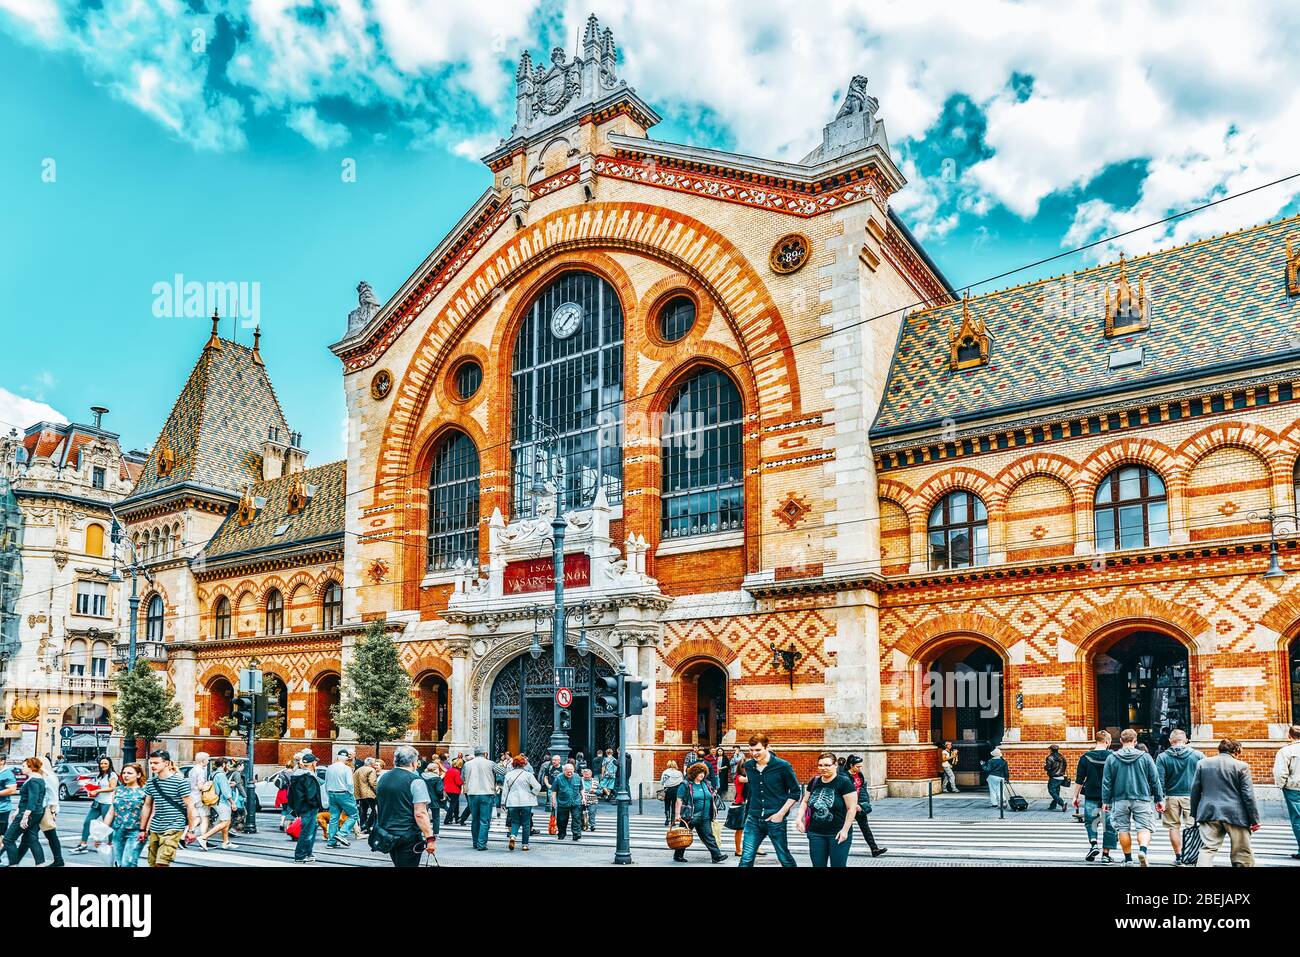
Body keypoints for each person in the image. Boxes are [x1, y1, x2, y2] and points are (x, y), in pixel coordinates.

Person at [1101, 728, 1165, 867]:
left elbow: (1107, 782)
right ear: (1135, 741)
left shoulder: (1112, 758)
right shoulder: (1145, 757)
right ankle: (1142, 851)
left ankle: (1128, 859)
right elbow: (1155, 780)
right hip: (1141, 797)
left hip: (1120, 798)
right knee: (1144, 827)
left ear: (1121, 741)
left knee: (1123, 829)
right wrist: (1159, 799)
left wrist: (1105, 801)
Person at [1192, 738, 1259, 867]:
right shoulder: (1241, 766)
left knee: (1207, 848)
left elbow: (1195, 790)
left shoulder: (1202, 763)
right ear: (1236, 750)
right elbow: (1248, 795)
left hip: (1208, 811)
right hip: (1235, 814)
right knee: (1241, 852)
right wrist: (1254, 819)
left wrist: (1194, 813)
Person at [738, 732, 800, 867]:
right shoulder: (749, 766)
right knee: (746, 859)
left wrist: (781, 814)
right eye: (751, 750)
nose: (754, 753)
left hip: (775, 818)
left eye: (758, 749)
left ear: (767, 747)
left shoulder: (783, 766)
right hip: (753, 818)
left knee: (784, 857)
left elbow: (795, 792)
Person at [373, 745, 438, 867]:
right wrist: (430, 838)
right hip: (408, 835)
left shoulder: (382, 777)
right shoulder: (415, 781)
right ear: (414, 762)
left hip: (387, 834)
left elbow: (379, 806)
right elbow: (420, 813)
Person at [794, 751, 858, 867]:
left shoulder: (844, 782)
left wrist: (845, 830)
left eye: (827, 765)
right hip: (815, 833)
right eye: (820, 765)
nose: (823, 768)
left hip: (837, 833)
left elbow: (851, 809)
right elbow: (805, 801)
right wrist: (799, 818)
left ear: (835, 765)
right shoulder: (814, 781)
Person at [139, 750, 198, 868]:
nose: (152, 766)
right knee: (153, 863)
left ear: (166, 763)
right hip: (156, 826)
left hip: (174, 825)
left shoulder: (180, 782)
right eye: (151, 763)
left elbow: (190, 806)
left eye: (156, 763)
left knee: (162, 862)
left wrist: (191, 831)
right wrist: (143, 829)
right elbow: (147, 805)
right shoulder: (151, 782)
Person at [1071, 730, 1119, 864]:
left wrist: (1075, 796)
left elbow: (1080, 779)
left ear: (1096, 740)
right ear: (1108, 742)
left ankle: (1094, 844)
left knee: (1091, 821)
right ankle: (1105, 855)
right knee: (1108, 825)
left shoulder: (1085, 757)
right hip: (1109, 797)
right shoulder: (1114, 757)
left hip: (1091, 794)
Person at [1155, 729, 1202, 862]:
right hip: (1192, 797)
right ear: (1186, 740)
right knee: (1192, 827)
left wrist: (1159, 798)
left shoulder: (1163, 757)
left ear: (1170, 741)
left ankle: (1178, 856)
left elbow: (1160, 780)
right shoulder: (1198, 755)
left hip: (1171, 796)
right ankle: (1191, 855)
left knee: (1173, 826)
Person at [672, 761, 726, 864]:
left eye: (703, 773)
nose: (702, 775)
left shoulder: (706, 783)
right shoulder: (686, 784)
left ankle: (716, 856)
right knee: (684, 836)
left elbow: (710, 797)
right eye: (699, 772)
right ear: (694, 773)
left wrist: (714, 807)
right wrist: (677, 814)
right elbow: (679, 799)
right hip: (690, 816)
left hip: (705, 816)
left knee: (709, 836)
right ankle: (678, 855)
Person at [1, 758, 47, 866]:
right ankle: (40, 864)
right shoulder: (39, 779)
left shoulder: (33, 780)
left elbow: (33, 799)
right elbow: (28, 799)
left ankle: (13, 864)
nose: (22, 768)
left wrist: (25, 816)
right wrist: (17, 810)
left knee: (8, 839)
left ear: (31, 768)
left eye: (24, 766)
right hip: (36, 812)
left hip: (28, 813)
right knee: (32, 838)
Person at [843, 754, 887, 858]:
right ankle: (839, 850)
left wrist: (863, 803)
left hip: (858, 807)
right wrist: (853, 805)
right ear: (851, 765)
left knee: (865, 828)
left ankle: (874, 849)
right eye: (858, 766)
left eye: (860, 766)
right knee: (845, 829)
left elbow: (862, 790)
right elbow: (842, 794)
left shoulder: (859, 775)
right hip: (847, 808)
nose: (860, 768)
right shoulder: (844, 777)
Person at [103, 762, 146, 868]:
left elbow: (149, 813)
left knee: (128, 863)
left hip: (135, 832)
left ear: (138, 775)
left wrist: (144, 830)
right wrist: (101, 831)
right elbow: (111, 812)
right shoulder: (118, 790)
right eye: (124, 773)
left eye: (130, 773)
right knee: (118, 863)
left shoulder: (144, 791)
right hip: (118, 831)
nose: (125, 775)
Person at [73, 756, 118, 854]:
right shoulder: (100, 775)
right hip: (97, 802)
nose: (103, 765)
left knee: (109, 825)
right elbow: (96, 787)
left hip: (108, 803)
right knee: (87, 822)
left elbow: (112, 788)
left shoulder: (112, 775)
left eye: (105, 763)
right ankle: (83, 843)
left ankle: (111, 844)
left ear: (110, 764)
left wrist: (98, 790)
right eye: (101, 763)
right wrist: (91, 791)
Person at [288, 752, 324, 863]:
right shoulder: (308, 777)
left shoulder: (296, 775)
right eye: (315, 761)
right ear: (312, 763)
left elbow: (291, 795)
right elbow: (311, 794)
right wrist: (317, 805)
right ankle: (300, 855)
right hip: (309, 807)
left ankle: (308, 853)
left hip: (301, 807)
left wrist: (294, 807)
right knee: (307, 832)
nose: (316, 763)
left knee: (310, 830)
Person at [196, 758, 239, 850]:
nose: (229, 767)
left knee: (226, 821)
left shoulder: (213, 773)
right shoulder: (221, 775)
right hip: (221, 801)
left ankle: (226, 842)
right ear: (223, 765)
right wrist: (232, 803)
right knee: (225, 822)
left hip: (214, 800)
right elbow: (225, 792)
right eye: (227, 765)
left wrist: (228, 783)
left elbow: (216, 786)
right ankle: (203, 838)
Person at [1272, 724, 1300, 860]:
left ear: (1289, 736)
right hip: (1293, 788)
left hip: (1294, 789)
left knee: (1298, 819)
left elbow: (1280, 772)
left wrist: (1282, 785)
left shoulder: (1285, 751)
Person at [462, 746, 497, 851]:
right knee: (484, 820)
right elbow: (503, 771)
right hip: (486, 793)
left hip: (472, 793)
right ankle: (481, 844)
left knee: (475, 819)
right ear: (485, 753)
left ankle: (475, 842)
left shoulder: (467, 764)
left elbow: (462, 777)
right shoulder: (490, 763)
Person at [502, 754, 541, 851]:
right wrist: (532, 793)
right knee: (526, 823)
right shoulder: (528, 775)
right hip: (526, 802)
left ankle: (513, 836)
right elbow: (537, 786)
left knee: (515, 821)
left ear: (514, 764)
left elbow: (505, 791)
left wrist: (503, 802)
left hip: (512, 802)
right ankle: (525, 844)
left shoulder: (508, 775)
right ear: (523, 764)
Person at [325, 750, 359, 849]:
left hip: (332, 794)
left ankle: (331, 842)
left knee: (334, 818)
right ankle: (341, 834)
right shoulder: (347, 768)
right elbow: (349, 783)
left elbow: (326, 783)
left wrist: (328, 794)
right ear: (346, 758)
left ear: (337, 757)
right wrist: (351, 794)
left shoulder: (329, 768)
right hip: (344, 794)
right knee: (353, 815)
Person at [36, 757, 65, 866]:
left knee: (50, 835)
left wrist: (53, 812)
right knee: (34, 836)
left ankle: (58, 860)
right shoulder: (45, 775)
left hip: (47, 809)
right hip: (44, 808)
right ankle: (58, 860)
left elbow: (53, 796)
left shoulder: (49, 777)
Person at [552, 763, 583, 841]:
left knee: (576, 818)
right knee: (562, 819)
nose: (569, 773)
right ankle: (561, 833)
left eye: (571, 772)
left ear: (573, 770)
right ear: (563, 771)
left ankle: (576, 834)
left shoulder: (577, 777)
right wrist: (553, 800)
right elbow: (554, 790)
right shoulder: (558, 778)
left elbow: (581, 788)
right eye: (567, 772)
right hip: (563, 802)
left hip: (575, 801)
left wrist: (584, 798)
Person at [187, 751, 211, 840]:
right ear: (203, 760)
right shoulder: (201, 771)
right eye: (207, 760)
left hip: (192, 796)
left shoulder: (192, 770)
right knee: (204, 818)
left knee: (197, 818)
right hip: (200, 797)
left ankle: (183, 837)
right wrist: (208, 784)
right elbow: (201, 787)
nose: (208, 761)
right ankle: (203, 839)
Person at [354, 756, 378, 834]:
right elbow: (372, 782)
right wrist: (377, 792)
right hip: (369, 794)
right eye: (374, 763)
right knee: (375, 810)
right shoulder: (371, 770)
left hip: (360, 794)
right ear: (371, 763)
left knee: (363, 811)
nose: (375, 764)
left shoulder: (358, 770)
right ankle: (368, 825)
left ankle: (363, 827)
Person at [658, 760, 684, 826]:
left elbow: (662, 782)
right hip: (676, 790)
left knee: (667, 804)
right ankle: (673, 821)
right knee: (674, 805)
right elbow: (682, 781)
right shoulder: (679, 773)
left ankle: (667, 819)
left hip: (667, 790)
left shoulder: (666, 772)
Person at [0, 754, 19, 841]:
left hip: (2, 809)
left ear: (2, 761)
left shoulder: (7, 774)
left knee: (1, 835)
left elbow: (12, 790)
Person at [274, 758, 295, 832]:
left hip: (282, 793)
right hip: (290, 793)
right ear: (293, 766)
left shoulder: (281, 773)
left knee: (284, 809)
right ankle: (289, 826)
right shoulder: (294, 774)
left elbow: (275, 782)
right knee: (291, 809)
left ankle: (281, 823)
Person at [1044, 745, 1067, 811]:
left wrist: (1044, 767)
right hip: (1061, 777)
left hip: (1054, 777)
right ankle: (1053, 805)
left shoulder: (1050, 757)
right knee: (1056, 792)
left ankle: (1062, 803)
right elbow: (1065, 765)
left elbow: (1048, 767)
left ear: (1051, 750)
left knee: (1051, 791)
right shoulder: (1062, 757)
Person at [442, 757, 463, 826]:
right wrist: (463, 781)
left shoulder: (449, 770)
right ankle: (447, 819)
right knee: (453, 805)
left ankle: (457, 818)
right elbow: (458, 782)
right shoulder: (457, 772)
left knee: (456, 804)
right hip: (454, 790)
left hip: (448, 789)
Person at [579, 768, 600, 832]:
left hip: (592, 800)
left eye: (588, 774)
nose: (586, 775)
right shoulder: (579, 780)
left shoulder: (595, 781)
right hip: (581, 799)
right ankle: (582, 825)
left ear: (591, 774)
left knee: (592, 812)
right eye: (585, 774)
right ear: (583, 774)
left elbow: (601, 791)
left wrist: (595, 791)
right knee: (580, 813)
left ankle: (592, 825)